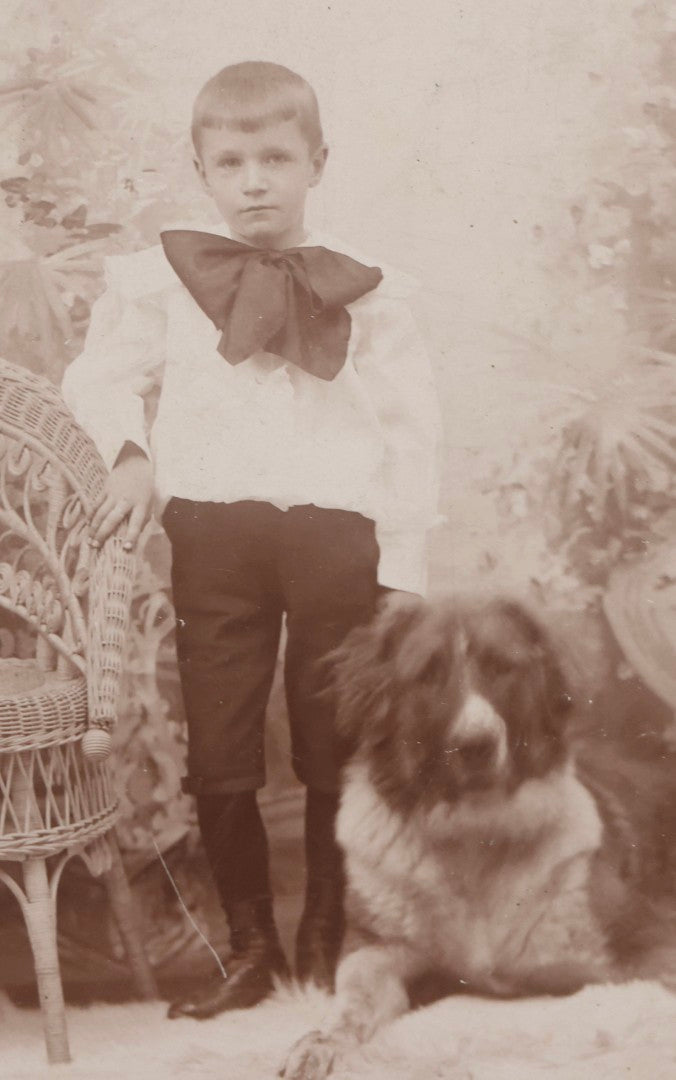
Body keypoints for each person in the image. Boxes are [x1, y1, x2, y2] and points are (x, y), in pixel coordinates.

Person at [62, 60, 441, 1020]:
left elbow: (409, 430)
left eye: (275, 158)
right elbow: (99, 379)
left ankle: (322, 929)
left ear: (318, 161)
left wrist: (401, 567)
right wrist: (131, 455)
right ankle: (250, 945)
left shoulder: (369, 288)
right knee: (222, 743)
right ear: (202, 170)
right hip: (213, 533)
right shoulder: (161, 282)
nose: (254, 181)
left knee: (331, 741)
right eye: (230, 162)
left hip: (335, 536)